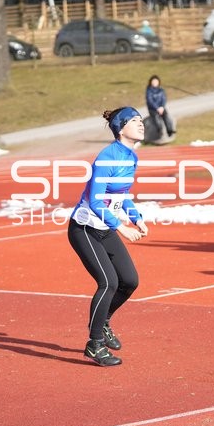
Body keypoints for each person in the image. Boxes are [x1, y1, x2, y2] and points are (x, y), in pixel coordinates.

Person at [67, 107, 149, 366]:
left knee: (129, 281)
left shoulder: (130, 156)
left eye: (141, 120)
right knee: (108, 283)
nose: (141, 124)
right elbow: (94, 200)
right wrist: (121, 227)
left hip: (106, 227)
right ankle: (94, 344)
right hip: (85, 229)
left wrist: (136, 217)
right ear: (120, 127)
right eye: (135, 121)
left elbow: (121, 193)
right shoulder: (107, 157)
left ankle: (103, 323)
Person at [145, 74, 176, 140]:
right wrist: (157, 108)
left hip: (161, 108)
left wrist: (162, 107)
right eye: (153, 81)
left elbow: (164, 99)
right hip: (153, 109)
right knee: (156, 118)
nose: (155, 83)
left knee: (166, 116)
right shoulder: (149, 91)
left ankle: (169, 130)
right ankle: (159, 130)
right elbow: (150, 101)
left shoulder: (161, 90)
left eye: (156, 81)